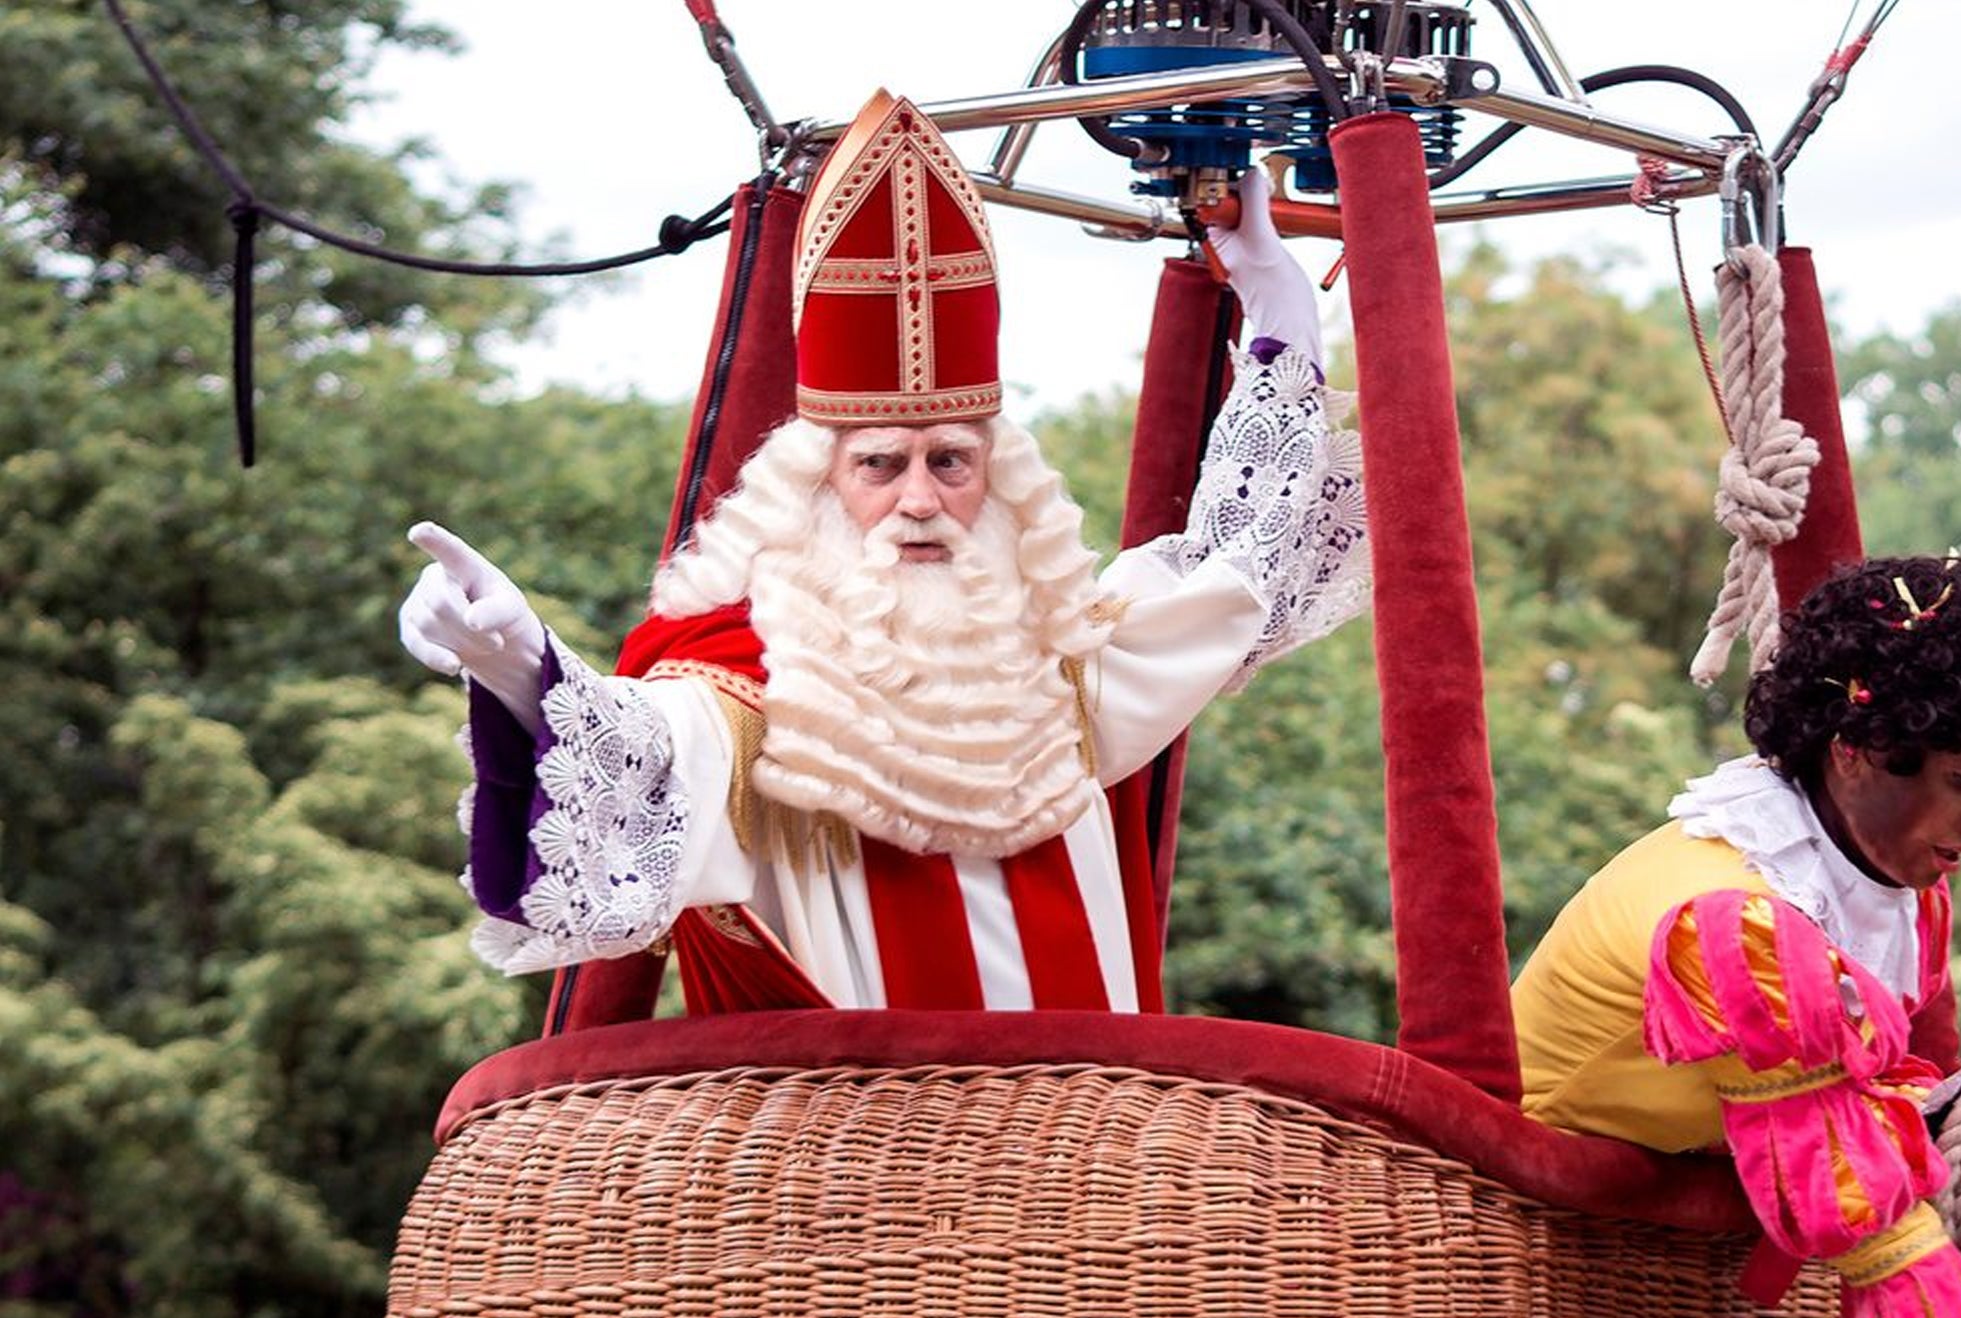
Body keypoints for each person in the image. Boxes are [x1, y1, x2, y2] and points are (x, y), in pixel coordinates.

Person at [397, 92, 1365, 1014]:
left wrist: (1280, 310)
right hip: (857, 1167)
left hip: (1090, 1156)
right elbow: (628, 754)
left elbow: (1235, 569)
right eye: (879, 464)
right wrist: (516, 658)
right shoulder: (738, 690)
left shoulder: (1064, 661)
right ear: (815, 484)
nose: (918, 500)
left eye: (950, 462)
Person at [1510, 555, 1961, 1318]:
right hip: (1530, 1246)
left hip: (1669, 1252)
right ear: (1852, 755)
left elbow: (1883, 1082)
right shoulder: (1736, 924)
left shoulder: (1906, 897)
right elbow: (1865, 1221)